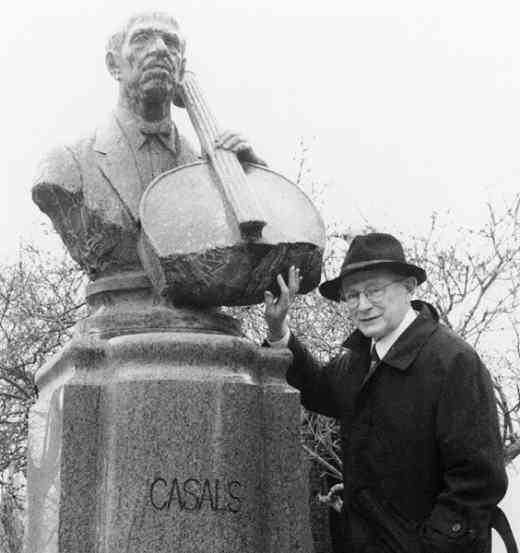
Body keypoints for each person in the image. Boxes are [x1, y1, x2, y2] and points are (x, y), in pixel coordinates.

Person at [264, 232, 513, 553]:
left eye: (374, 290)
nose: (362, 305)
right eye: (352, 295)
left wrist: (429, 545)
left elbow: (478, 482)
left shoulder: (454, 362)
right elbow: (316, 389)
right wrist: (278, 329)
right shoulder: (357, 360)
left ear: (409, 287)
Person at [32, 12, 263, 280]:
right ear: (113, 65)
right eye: (142, 39)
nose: (161, 49)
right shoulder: (66, 164)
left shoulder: (209, 173)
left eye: (171, 42)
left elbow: (248, 266)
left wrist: (253, 183)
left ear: (181, 67)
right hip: (117, 309)